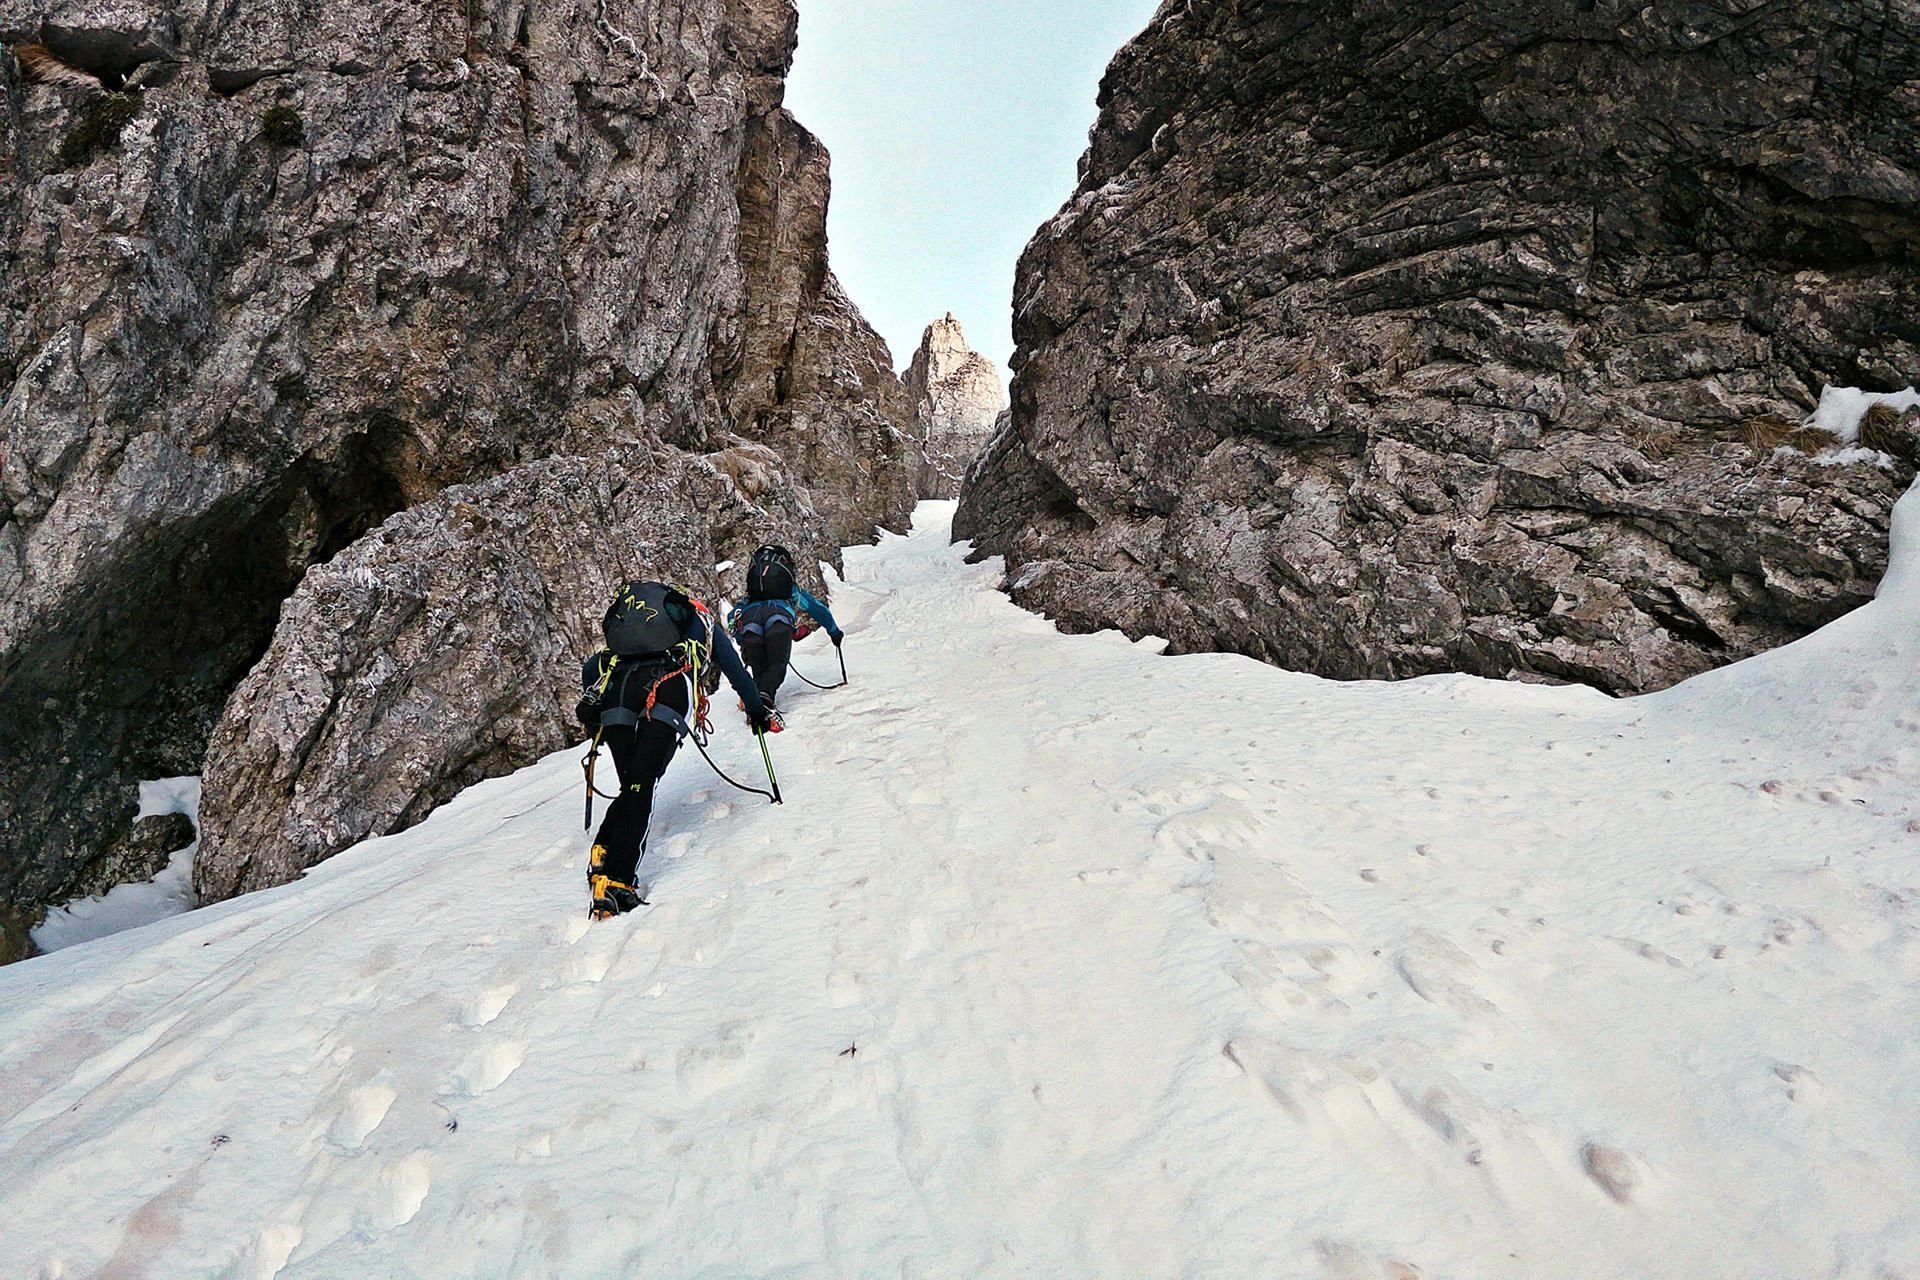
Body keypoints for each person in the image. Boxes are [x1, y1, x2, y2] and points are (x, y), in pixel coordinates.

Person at [575, 581, 766, 919]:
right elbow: (736, 671)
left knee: (632, 783)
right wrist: (757, 710)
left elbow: (592, 668)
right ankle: (618, 883)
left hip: (617, 690)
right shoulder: (701, 622)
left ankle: (603, 851)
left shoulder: (629, 634)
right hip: (666, 687)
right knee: (642, 783)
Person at [727, 544, 844, 729]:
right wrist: (834, 632)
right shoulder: (790, 590)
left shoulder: (752, 594)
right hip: (778, 617)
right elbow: (817, 609)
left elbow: (731, 617)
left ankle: (756, 710)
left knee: (760, 669)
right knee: (777, 663)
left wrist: (743, 643)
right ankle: (764, 704)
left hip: (750, 619)